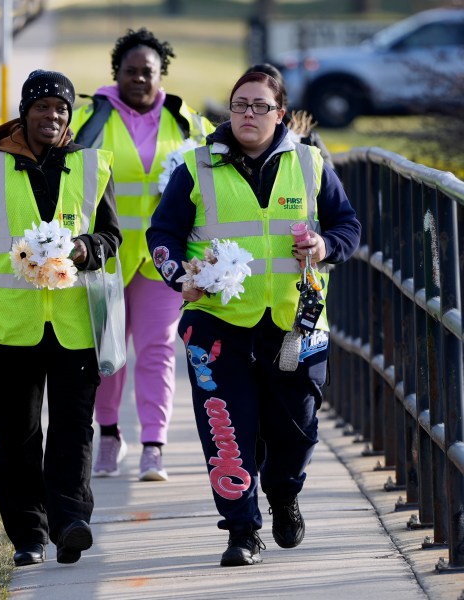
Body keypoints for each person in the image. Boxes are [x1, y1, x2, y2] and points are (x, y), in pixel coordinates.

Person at [146, 71, 361, 567]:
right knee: (226, 425)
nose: (248, 114)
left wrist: (325, 245)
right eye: (240, 105)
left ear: (280, 114)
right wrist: (179, 275)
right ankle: (241, 529)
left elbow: (347, 224)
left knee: (297, 429)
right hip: (216, 323)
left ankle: (284, 494)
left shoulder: (309, 163)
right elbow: (163, 233)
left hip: (295, 322)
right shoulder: (195, 167)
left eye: (261, 106)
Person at [0, 69, 121, 567]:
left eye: (61, 108)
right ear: (25, 113)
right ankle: (28, 534)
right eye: (42, 107)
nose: (52, 115)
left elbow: (111, 238)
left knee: (74, 428)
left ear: (69, 117)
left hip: (75, 326)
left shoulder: (93, 166)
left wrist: (85, 247)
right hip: (8, 327)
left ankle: (71, 519)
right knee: (17, 434)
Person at [71, 27, 215, 481]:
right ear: (116, 74)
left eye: (147, 72)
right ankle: (110, 436)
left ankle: (154, 445)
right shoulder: (90, 120)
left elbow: (223, 159)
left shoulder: (186, 122)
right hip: (106, 258)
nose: (138, 79)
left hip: (162, 259)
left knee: (157, 351)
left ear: (161, 74)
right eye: (129, 72)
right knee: (108, 353)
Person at [244, 63, 334, 168]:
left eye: (261, 105)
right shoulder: (223, 144)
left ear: (281, 110)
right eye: (241, 103)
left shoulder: (307, 141)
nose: (249, 113)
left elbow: (330, 181)